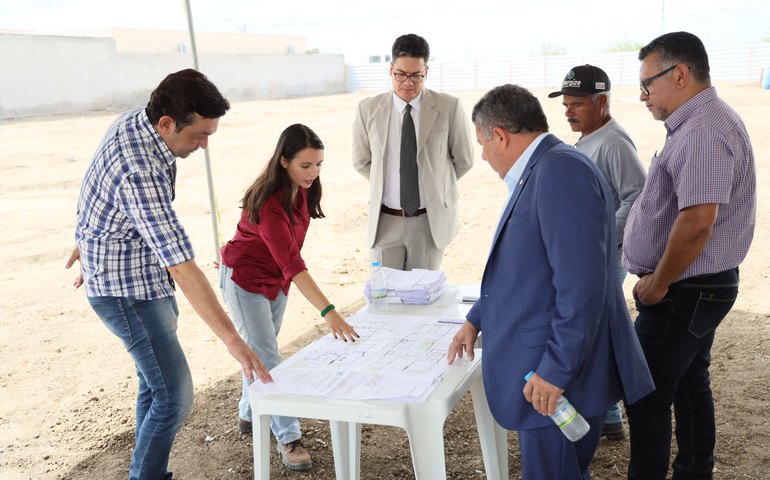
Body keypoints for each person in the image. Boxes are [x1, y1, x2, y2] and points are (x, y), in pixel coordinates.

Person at [66, 69, 272, 480]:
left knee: (155, 383)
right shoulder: (139, 170)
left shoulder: (135, 120)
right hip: (126, 292)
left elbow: (98, 182)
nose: (204, 145)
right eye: (198, 135)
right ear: (166, 124)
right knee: (175, 395)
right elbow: (181, 263)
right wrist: (234, 340)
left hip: (140, 275)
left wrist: (90, 233)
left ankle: (145, 473)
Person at [447, 84, 654, 479]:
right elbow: (525, 271)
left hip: (558, 382)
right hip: (549, 375)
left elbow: (582, 287)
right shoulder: (543, 168)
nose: (485, 155)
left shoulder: (560, 172)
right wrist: (477, 319)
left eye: (482, 143)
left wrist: (555, 371)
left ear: (501, 136)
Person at [623, 31, 757, 480]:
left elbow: (698, 221)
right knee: (687, 383)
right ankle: (695, 470)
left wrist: (659, 282)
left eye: (647, 84)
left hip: (686, 288)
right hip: (696, 286)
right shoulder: (699, 123)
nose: (642, 95)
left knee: (646, 395)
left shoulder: (703, 129)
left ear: (679, 74)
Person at [218, 123, 359, 471]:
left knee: (258, 350)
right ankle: (288, 437)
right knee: (266, 354)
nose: (313, 173)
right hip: (245, 280)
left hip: (277, 282)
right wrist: (329, 311)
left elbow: (289, 262)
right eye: (305, 165)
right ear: (283, 161)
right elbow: (294, 263)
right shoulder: (268, 203)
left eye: (318, 164)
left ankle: (249, 414)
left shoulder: (305, 191)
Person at [548, 64, 647, 441]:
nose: (569, 112)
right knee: (595, 333)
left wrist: (601, 237)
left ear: (601, 101)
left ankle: (607, 417)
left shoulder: (612, 141)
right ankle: (608, 418)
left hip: (603, 257)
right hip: (592, 255)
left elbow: (637, 196)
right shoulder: (593, 136)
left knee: (593, 334)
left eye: (577, 105)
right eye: (567, 105)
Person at [352, 33, 473, 271]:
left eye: (416, 75)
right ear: (390, 70)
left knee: (424, 300)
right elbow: (362, 161)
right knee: (386, 300)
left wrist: (432, 184)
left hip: (428, 222)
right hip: (384, 222)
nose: (408, 82)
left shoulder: (449, 106)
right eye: (401, 74)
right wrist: (390, 182)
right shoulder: (367, 109)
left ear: (426, 71)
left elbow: (464, 160)